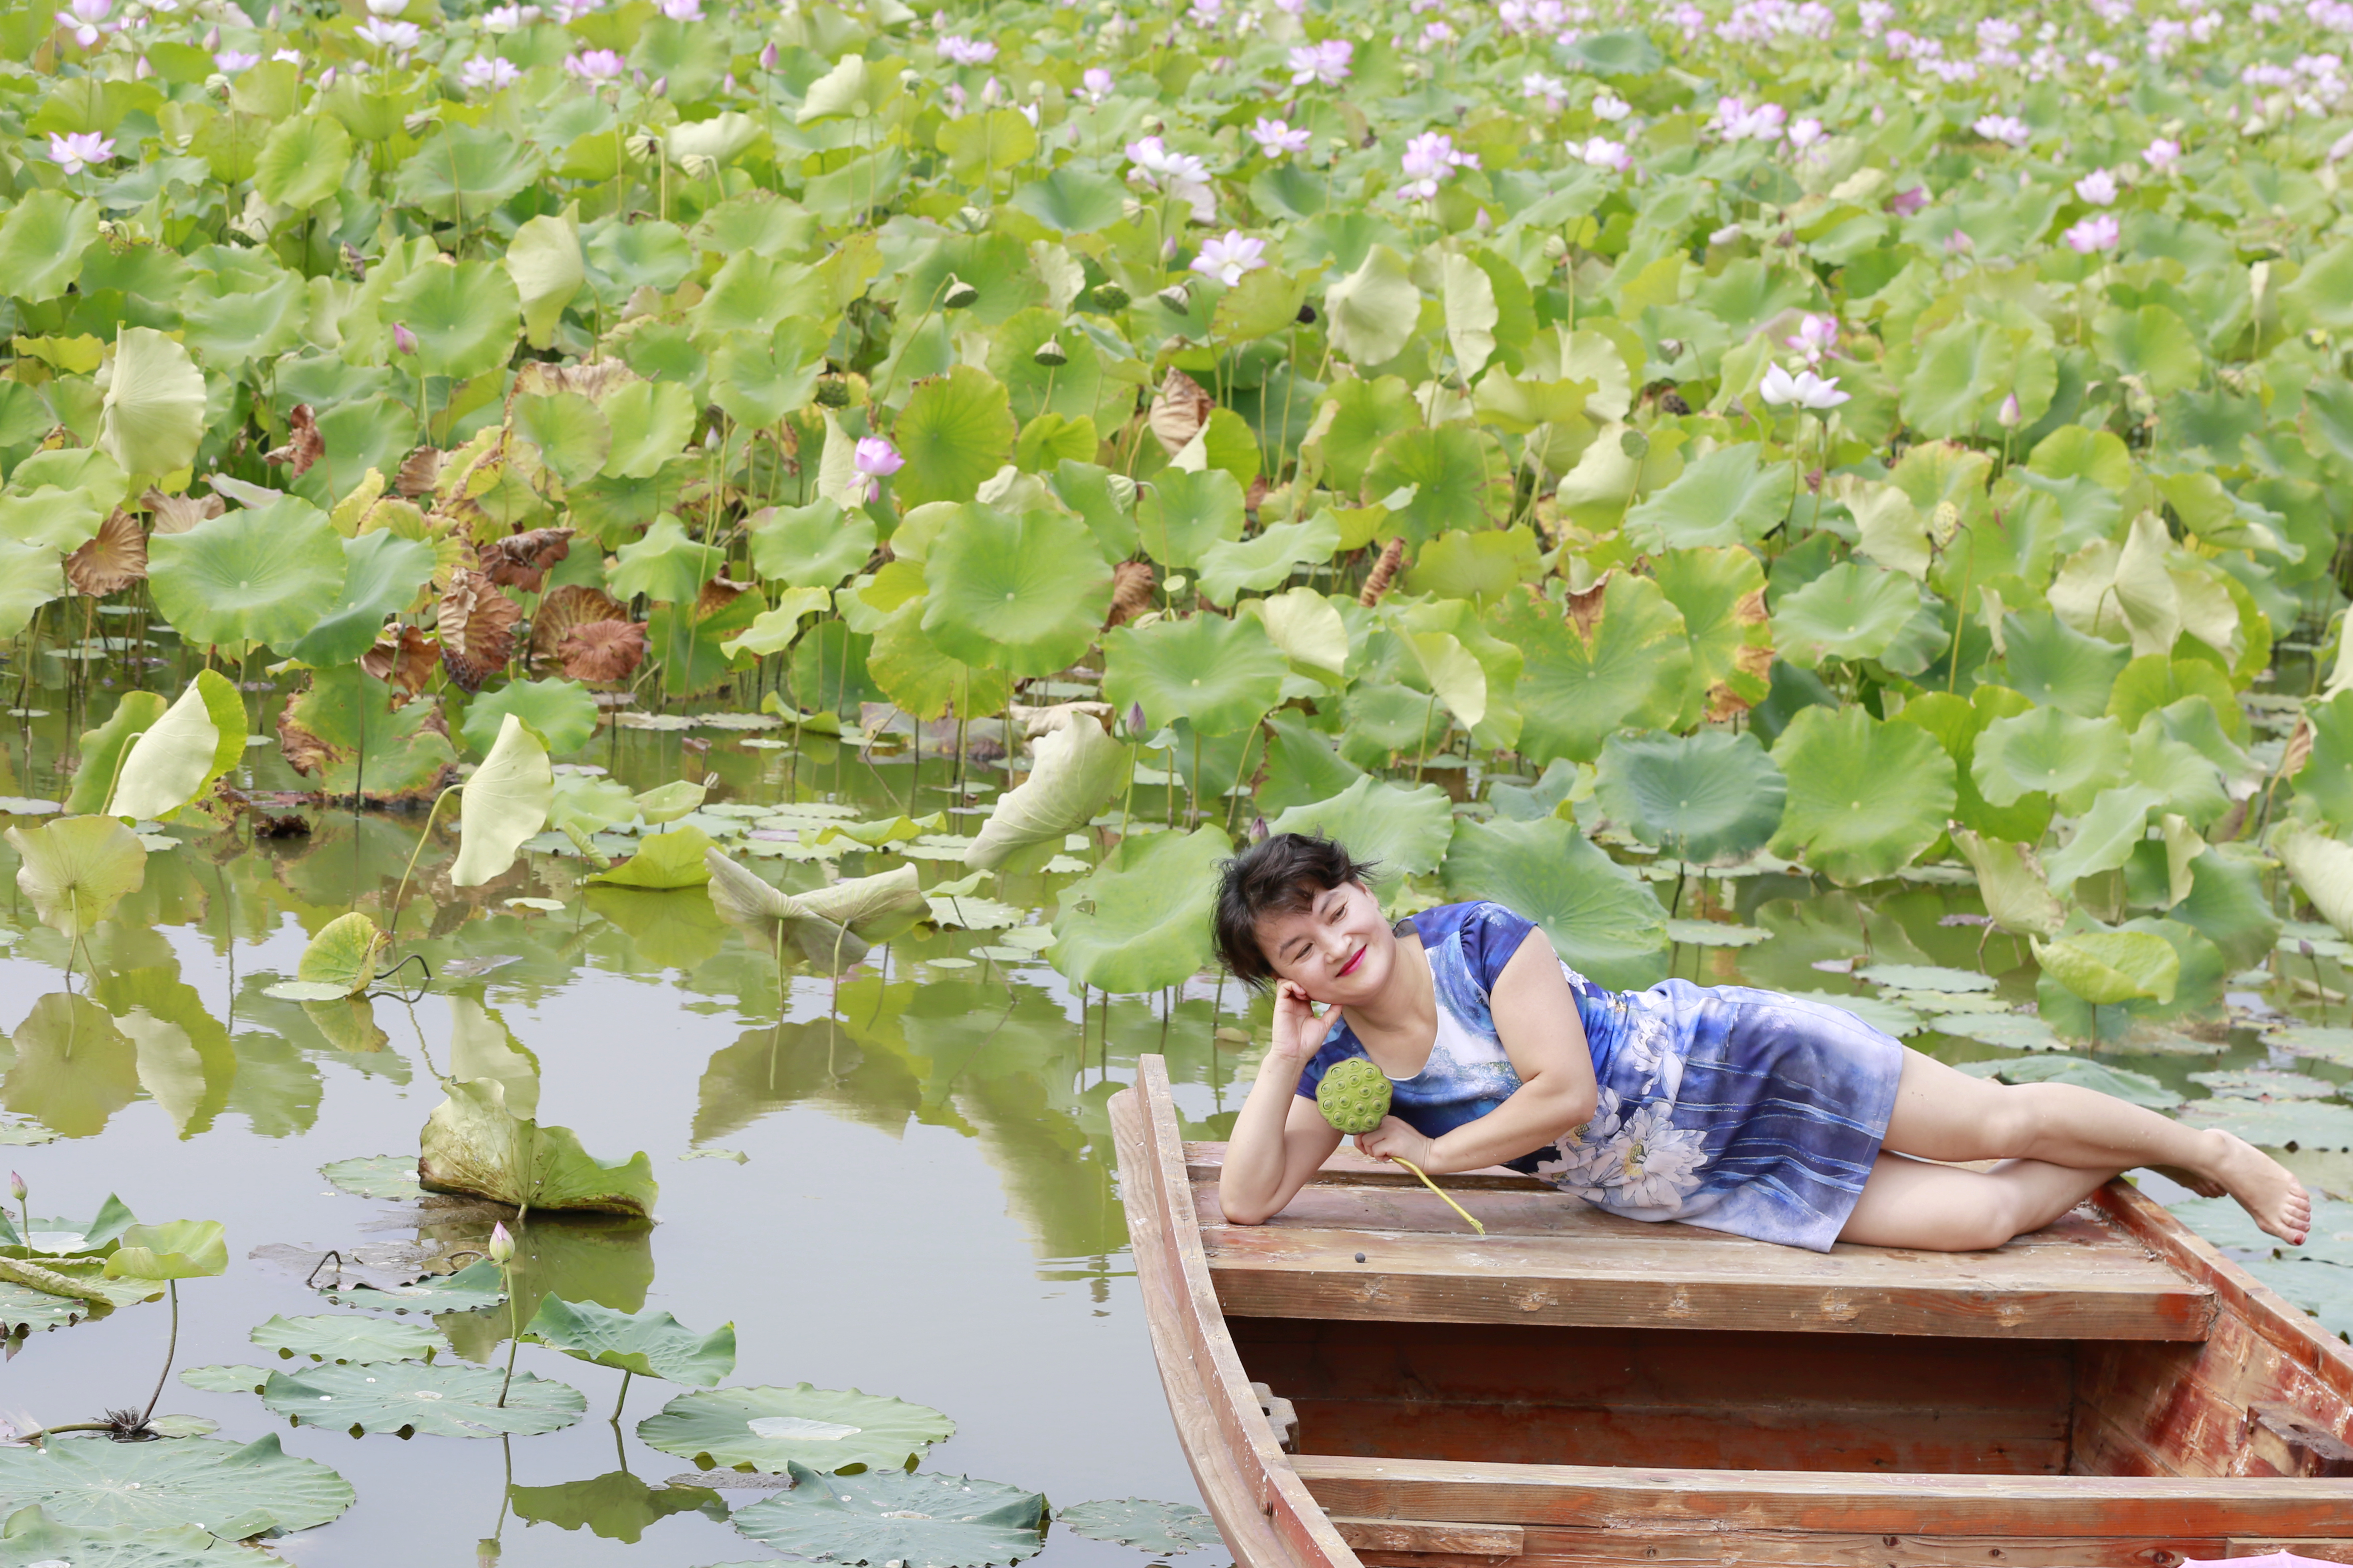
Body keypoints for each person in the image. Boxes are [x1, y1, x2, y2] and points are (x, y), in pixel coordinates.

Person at [1212, 832, 2311, 1253]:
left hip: (1734, 1059)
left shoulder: (1481, 945)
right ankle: (2119, 1151)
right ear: (1285, 979)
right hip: (1687, 1180)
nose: (1332, 950)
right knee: (1976, 1216)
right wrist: (1279, 1063)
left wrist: (1442, 1154)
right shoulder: (1339, 1066)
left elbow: (1564, 1096)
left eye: (1336, 913)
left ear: (1367, 893)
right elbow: (1250, 1201)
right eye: (1297, 950)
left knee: (1995, 1121)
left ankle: (2207, 1149)